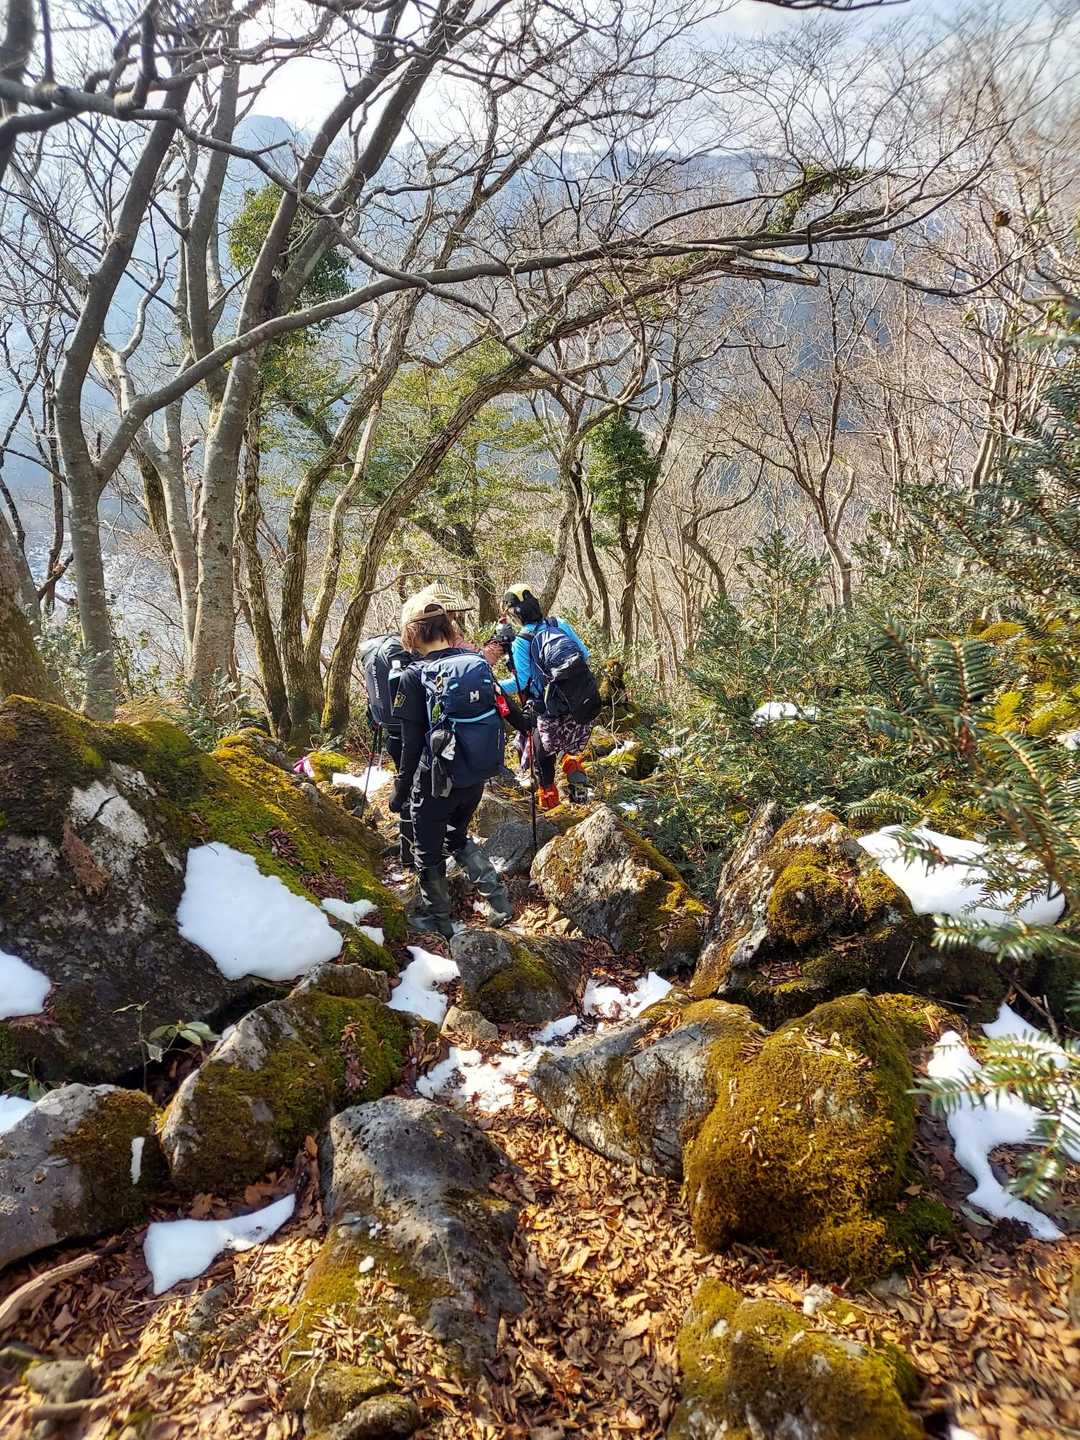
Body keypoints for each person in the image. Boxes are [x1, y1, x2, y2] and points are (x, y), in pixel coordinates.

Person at [388, 593, 529, 940]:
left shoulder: (413, 676)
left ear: (411, 633)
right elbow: (508, 710)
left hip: (434, 782)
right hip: (474, 776)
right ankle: (499, 902)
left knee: (427, 851)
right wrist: (530, 728)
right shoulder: (474, 664)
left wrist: (400, 792)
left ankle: (439, 922)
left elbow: (411, 745)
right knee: (457, 836)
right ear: (446, 627)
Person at [498, 583, 600, 808]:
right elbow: (584, 654)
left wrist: (493, 684)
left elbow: (520, 682)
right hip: (577, 700)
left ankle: (551, 807)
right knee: (571, 751)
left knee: (543, 757)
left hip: (547, 709)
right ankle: (580, 797)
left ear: (516, 613)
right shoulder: (559, 623)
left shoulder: (522, 641)